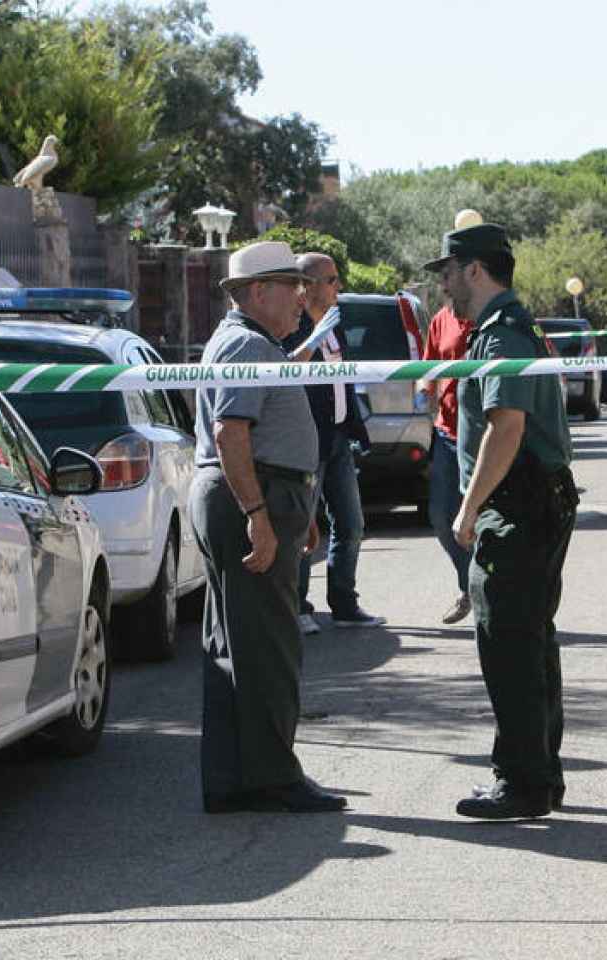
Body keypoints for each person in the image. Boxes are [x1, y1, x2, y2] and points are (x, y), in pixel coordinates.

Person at [426, 223, 577, 820]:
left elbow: (505, 427)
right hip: (531, 500)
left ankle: (523, 782)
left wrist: (467, 508)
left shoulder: (500, 337)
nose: (443, 283)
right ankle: (540, 773)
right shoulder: (509, 328)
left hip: (517, 506)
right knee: (531, 640)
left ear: (476, 271)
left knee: (510, 645)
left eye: (449, 270)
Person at [190, 240, 346, 815]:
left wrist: (293, 513)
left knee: (236, 644)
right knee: (269, 647)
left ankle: (236, 778)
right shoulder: (246, 345)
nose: (302, 299)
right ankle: (273, 775)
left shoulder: (247, 343)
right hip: (249, 498)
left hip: (260, 496)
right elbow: (234, 434)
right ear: (259, 292)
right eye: (292, 287)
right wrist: (260, 515)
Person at [291, 252, 384, 633]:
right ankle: (297, 607)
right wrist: (312, 337)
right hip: (307, 441)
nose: (338, 287)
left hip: (340, 438)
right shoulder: (290, 326)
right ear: (308, 286)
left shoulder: (336, 324)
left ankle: (344, 603)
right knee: (301, 528)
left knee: (351, 524)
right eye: (331, 280)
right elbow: (290, 370)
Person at [417, 299, 475, 625]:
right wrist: (424, 389)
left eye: (448, 273)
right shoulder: (441, 319)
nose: (444, 283)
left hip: (485, 436)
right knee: (441, 516)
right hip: (447, 434)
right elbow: (429, 366)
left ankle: (486, 591)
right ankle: (470, 585)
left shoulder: (493, 317)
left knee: (484, 521)